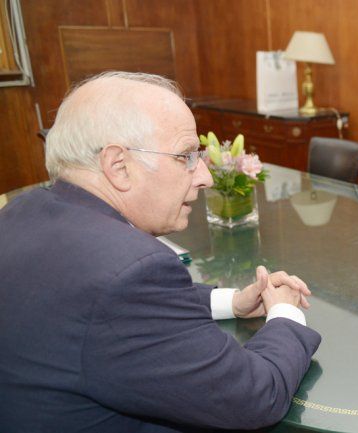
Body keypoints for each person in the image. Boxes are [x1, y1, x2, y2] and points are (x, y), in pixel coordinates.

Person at [0, 72, 321, 432]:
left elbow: (106, 306)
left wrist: (231, 302)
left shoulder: (20, 211)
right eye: (185, 155)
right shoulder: (130, 272)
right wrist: (284, 314)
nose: (206, 176)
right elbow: (257, 397)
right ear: (118, 166)